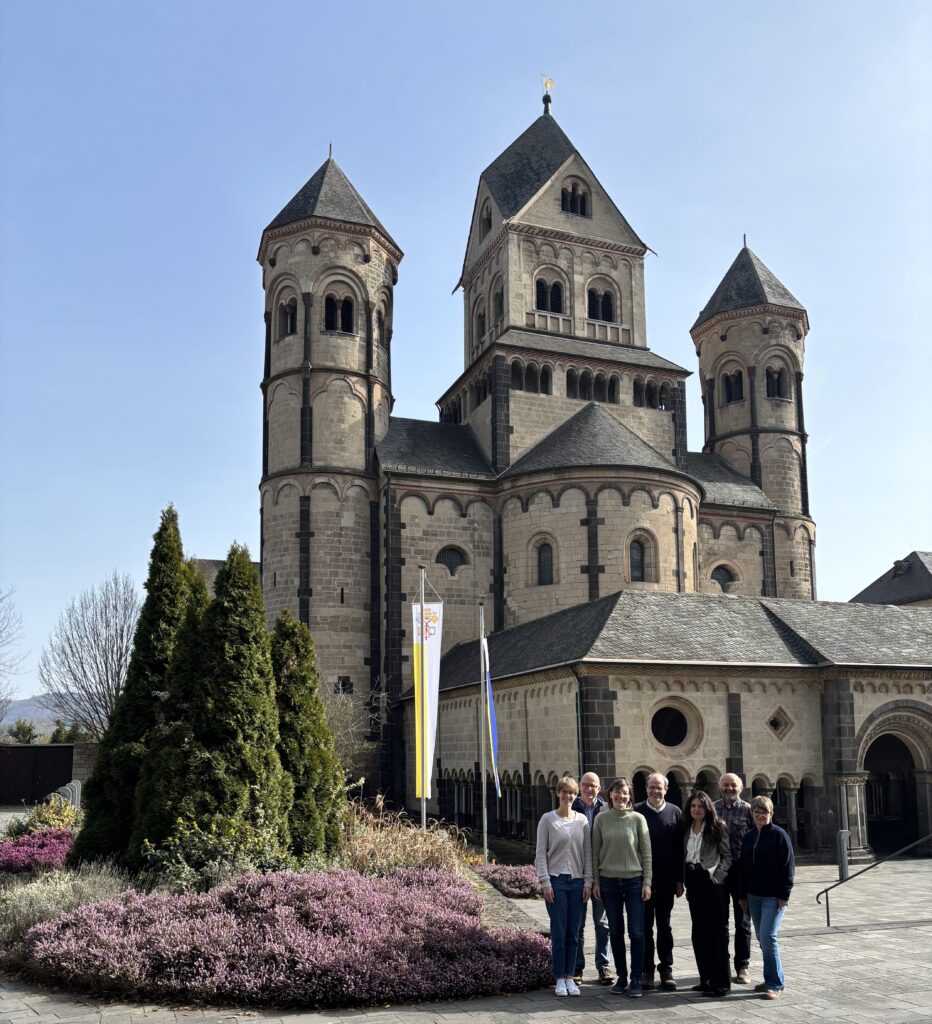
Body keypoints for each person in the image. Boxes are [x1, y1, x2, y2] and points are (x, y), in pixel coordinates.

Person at [592, 777, 652, 998]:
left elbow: (646, 853)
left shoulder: (638, 819)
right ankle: (622, 976)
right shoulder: (601, 819)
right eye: (617, 792)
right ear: (610, 795)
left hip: (634, 882)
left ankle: (636, 978)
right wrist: (596, 882)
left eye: (625, 793)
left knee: (636, 932)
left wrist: (647, 883)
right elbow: (595, 852)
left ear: (630, 796)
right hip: (609, 882)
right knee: (615, 932)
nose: (621, 796)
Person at [534, 775, 593, 997]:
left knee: (574, 933)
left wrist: (588, 881)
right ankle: (559, 977)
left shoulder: (582, 821)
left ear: (576, 796)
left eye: (572, 792)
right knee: (559, 932)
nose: (568, 796)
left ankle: (571, 976)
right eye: (564, 791)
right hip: (556, 882)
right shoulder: (547, 820)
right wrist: (545, 881)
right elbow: (540, 854)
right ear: (558, 793)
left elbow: (587, 853)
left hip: (577, 883)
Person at [738, 795, 795, 1000]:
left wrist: (784, 895)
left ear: (771, 814)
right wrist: (742, 894)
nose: (760, 815)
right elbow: (743, 867)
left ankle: (775, 984)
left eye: (764, 811)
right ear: (752, 813)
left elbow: (788, 867)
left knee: (768, 937)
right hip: (753, 896)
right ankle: (770, 977)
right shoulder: (749, 835)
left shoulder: (779, 835)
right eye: (757, 811)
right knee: (763, 938)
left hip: (773, 897)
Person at [635, 772, 684, 991]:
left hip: (666, 881)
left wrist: (680, 880)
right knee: (645, 927)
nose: (655, 791)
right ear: (646, 788)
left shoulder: (675, 812)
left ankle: (666, 969)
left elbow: (680, 849)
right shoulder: (637, 811)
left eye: (659, 787)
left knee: (664, 925)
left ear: (666, 789)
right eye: (651, 787)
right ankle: (647, 971)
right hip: (642, 881)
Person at [683, 790, 732, 998]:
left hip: (711, 883)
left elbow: (727, 856)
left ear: (707, 808)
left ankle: (721, 983)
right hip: (693, 882)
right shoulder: (686, 827)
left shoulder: (717, 826)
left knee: (716, 933)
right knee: (699, 932)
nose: (696, 809)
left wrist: (716, 877)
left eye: (700, 806)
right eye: (693, 806)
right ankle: (706, 979)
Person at [571, 771, 614, 985]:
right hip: (577, 873)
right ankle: (577, 967)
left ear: (600, 788)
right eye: (586, 785)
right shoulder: (570, 806)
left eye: (594, 786)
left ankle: (603, 966)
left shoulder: (606, 809)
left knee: (602, 923)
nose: (589, 789)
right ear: (580, 786)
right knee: (578, 924)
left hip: (602, 873)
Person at [714, 772, 755, 984]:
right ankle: (722, 964)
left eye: (733, 785)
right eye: (726, 785)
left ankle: (742, 966)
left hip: (740, 872)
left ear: (740, 788)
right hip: (720, 872)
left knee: (743, 923)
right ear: (719, 787)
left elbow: (755, 840)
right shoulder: (713, 808)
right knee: (720, 922)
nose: (729, 788)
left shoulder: (748, 810)